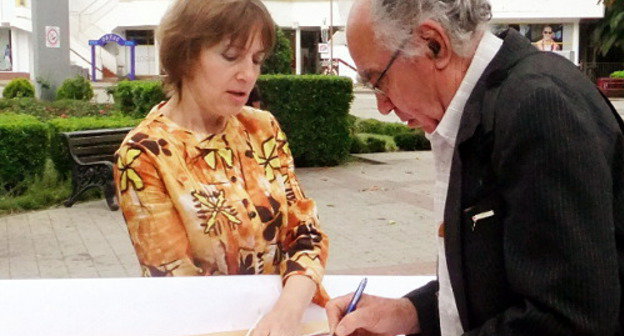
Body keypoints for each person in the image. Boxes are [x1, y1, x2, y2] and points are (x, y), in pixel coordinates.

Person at [327, 0, 624, 335]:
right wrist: (410, 311)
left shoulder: (537, 104)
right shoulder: (492, 103)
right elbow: (505, 280)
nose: (381, 106)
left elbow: (568, 319)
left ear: (433, 44)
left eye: (378, 80)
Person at [113, 1, 329, 336]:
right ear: (185, 55)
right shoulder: (144, 154)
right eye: (231, 56)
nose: (248, 74)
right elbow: (175, 283)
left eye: (257, 60)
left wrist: (287, 312)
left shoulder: (262, 128)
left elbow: (304, 233)